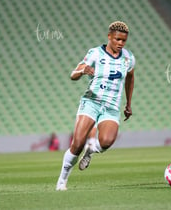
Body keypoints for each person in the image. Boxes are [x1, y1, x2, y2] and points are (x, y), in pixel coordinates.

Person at [56, 21, 135, 191]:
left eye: (124, 41)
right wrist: (82, 71)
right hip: (91, 102)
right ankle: (62, 181)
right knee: (76, 144)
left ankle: (90, 151)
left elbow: (130, 77)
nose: (120, 43)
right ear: (109, 37)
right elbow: (73, 75)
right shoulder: (95, 53)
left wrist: (128, 104)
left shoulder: (128, 57)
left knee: (106, 141)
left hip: (111, 106)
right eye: (117, 39)